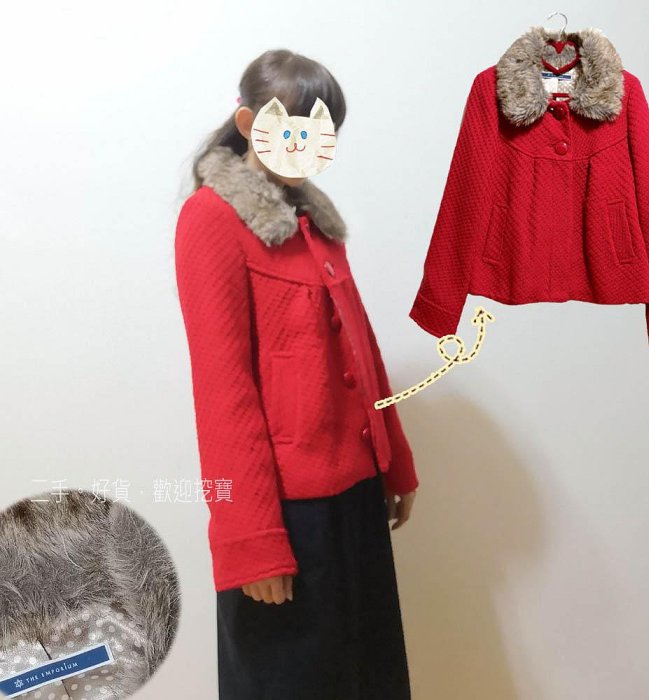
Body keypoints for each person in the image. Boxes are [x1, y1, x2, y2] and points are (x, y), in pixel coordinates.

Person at [174, 48, 419, 700]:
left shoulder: (316, 221)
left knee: (367, 679)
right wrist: (252, 541)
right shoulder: (211, 220)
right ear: (248, 122)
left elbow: (362, 348)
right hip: (285, 513)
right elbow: (223, 392)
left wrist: (394, 463)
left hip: (355, 496)